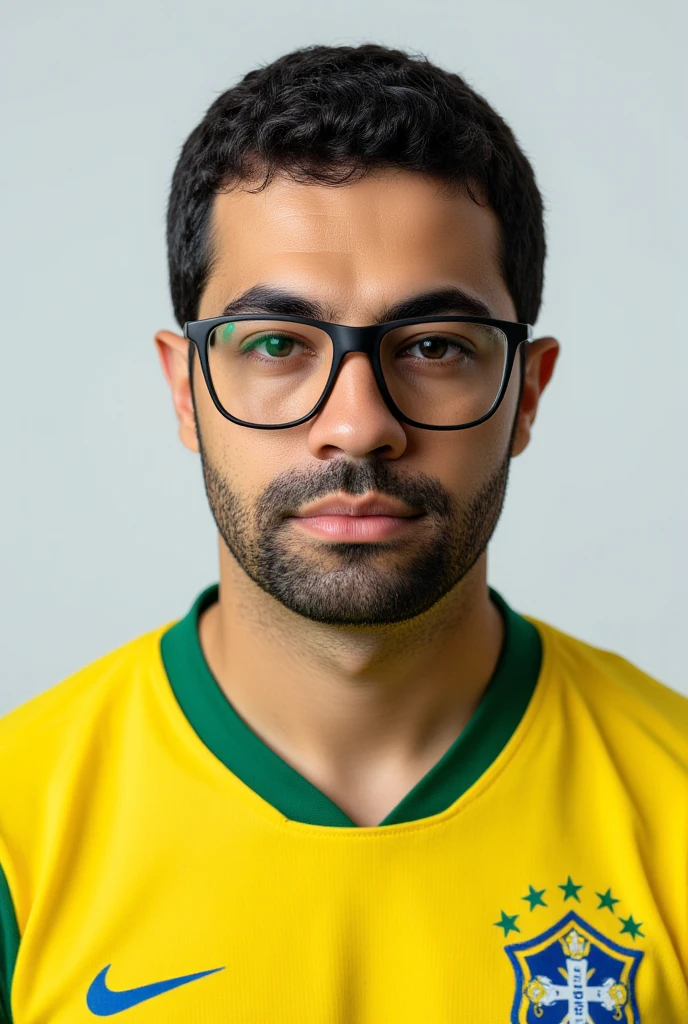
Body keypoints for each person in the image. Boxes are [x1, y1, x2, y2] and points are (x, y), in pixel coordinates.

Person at [0, 42, 685, 1024]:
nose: (359, 423)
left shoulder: (675, 804)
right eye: (278, 344)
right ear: (185, 389)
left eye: (435, 346)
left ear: (525, 395)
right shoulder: (15, 832)